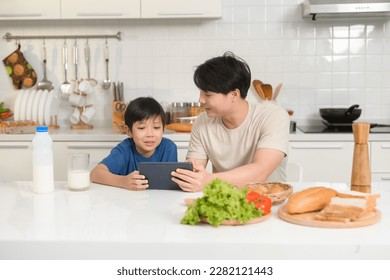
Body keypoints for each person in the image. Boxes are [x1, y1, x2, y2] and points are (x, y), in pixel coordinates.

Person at [172, 51, 290, 192]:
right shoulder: (202, 122)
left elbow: (260, 171)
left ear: (234, 94)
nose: (201, 100)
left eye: (208, 94)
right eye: (201, 93)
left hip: (268, 200)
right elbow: (195, 170)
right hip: (224, 199)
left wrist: (208, 180)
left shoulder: (273, 116)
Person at [90, 97, 178, 190]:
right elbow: (95, 173)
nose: (150, 134)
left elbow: (172, 184)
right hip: (129, 201)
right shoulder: (124, 150)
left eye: (156, 127)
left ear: (163, 128)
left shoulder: (169, 148)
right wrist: (123, 181)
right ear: (128, 131)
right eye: (141, 128)